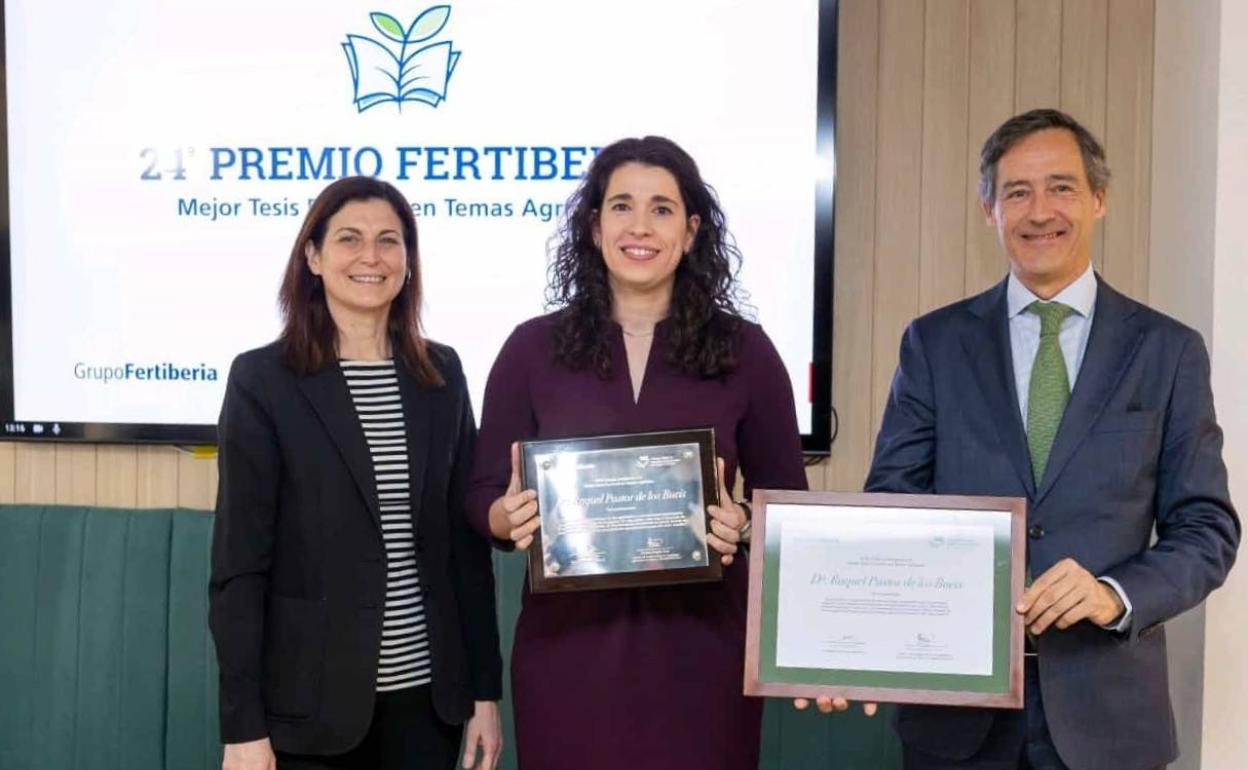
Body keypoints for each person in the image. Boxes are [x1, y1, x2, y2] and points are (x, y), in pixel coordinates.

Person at [863, 109, 1239, 769]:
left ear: (1099, 199)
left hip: (1111, 718)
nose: (1040, 212)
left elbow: (1207, 529)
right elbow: (892, 503)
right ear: (989, 210)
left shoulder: (1169, 351)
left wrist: (1113, 594)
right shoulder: (934, 343)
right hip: (956, 714)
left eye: (1061, 187)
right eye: (1017, 192)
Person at [465, 136, 807, 770]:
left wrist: (740, 523)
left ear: (692, 230)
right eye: (622, 206)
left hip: (704, 656)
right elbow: (482, 494)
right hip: (567, 657)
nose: (640, 227)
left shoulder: (748, 353)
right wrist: (506, 517)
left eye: (662, 209)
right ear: (595, 227)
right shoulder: (531, 350)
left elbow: (787, 508)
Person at [209, 176, 503, 770]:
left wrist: (484, 693)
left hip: (429, 707)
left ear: (408, 262)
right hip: (308, 713)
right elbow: (239, 568)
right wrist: (242, 725)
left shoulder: (442, 373)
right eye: (349, 239)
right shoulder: (262, 381)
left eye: (389, 241)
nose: (371, 256)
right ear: (313, 256)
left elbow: (465, 553)